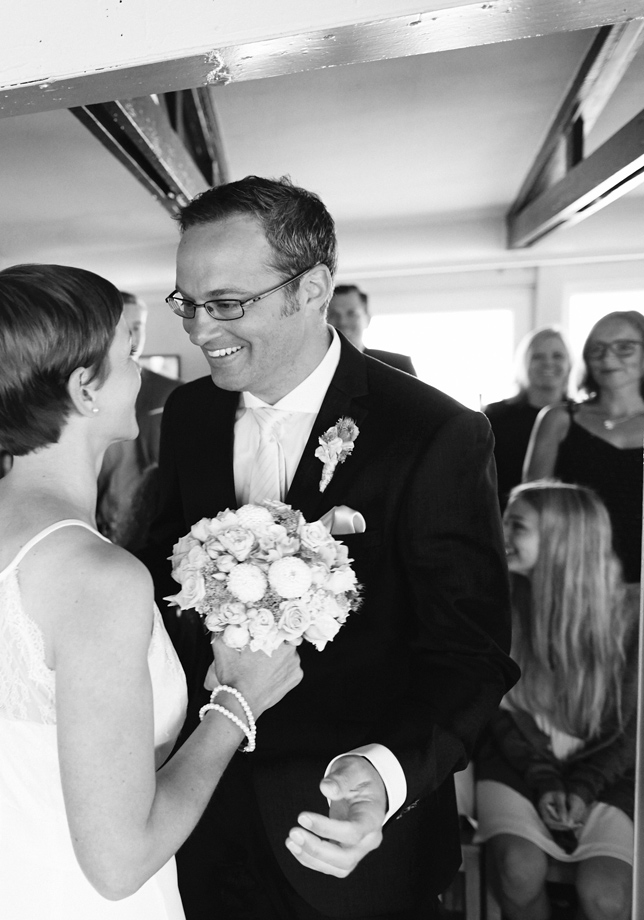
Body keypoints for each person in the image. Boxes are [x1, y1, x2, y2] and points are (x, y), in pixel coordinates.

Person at [144, 176, 518, 919]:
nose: (196, 328)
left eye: (225, 303)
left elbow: (471, 656)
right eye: (187, 301)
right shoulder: (186, 414)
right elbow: (164, 585)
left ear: (312, 289)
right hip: (201, 814)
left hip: (352, 842)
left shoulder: (435, 432)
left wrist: (384, 776)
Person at [0, 264, 303, 919]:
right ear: (84, 388)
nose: (142, 371)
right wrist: (237, 706)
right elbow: (118, 865)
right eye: (128, 352)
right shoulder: (101, 578)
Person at [476, 481, 636, 920]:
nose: (501, 532)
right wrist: (547, 782)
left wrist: (581, 789)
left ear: (562, 538)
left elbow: (629, 732)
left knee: (606, 895)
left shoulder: (631, 616)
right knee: (517, 869)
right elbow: (500, 715)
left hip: (607, 772)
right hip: (518, 762)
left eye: (518, 526)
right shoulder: (498, 604)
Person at [523, 311, 644, 583]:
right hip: (573, 577)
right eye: (597, 349)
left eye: (624, 347)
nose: (608, 357)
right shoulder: (558, 418)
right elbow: (532, 508)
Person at [96, 290, 185, 553]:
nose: (133, 337)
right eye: (125, 327)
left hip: (157, 530)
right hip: (96, 526)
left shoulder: (172, 393)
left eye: (138, 327)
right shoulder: (87, 392)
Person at [483, 327, 572, 509]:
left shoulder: (581, 418)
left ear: (570, 363)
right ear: (523, 363)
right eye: (537, 356)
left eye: (557, 356)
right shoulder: (495, 416)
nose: (548, 363)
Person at [327, 284, 416, 375]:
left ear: (367, 319)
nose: (343, 322)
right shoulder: (315, 367)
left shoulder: (398, 366)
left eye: (352, 314)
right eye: (333, 314)